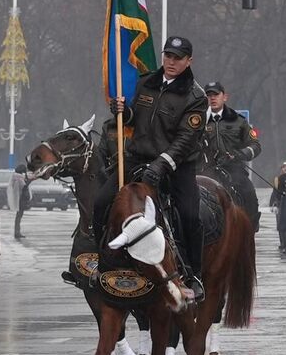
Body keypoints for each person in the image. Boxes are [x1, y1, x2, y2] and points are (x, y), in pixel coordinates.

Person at [104, 35, 208, 301]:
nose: (171, 62)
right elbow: (133, 120)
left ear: (189, 61)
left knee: (188, 215)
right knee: (100, 201)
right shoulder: (145, 82)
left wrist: (161, 164)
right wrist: (121, 111)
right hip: (138, 158)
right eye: (168, 56)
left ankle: (194, 274)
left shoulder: (196, 96)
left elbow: (186, 140)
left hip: (176, 165)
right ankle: (102, 260)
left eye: (178, 58)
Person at [200, 82, 261, 232]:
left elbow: (255, 146)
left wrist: (239, 154)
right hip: (204, 170)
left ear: (224, 97)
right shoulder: (197, 120)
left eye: (216, 95)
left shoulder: (238, 120)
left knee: (249, 193)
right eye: (208, 95)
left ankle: (250, 230)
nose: (212, 98)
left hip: (233, 169)